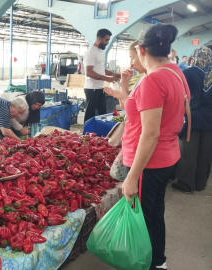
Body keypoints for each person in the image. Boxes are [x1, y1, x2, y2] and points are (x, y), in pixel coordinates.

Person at [105, 24, 190, 270]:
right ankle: (157, 262)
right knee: (153, 215)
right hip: (167, 155)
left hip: (149, 162)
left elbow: (151, 134)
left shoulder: (153, 80)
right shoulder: (175, 72)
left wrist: (132, 177)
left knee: (142, 218)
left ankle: (146, 264)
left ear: (141, 50)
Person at [173, 47, 212, 193]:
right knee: (205, 153)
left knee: (188, 152)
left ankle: (186, 184)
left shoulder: (189, 73)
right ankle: (200, 183)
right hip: (210, 120)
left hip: (192, 118)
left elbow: (179, 94)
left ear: (194, 57)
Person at [83, 28, 120, 123]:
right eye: (106, 40)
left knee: (102, 113)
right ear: (100, 38)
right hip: (92, 88)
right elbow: (89, 72)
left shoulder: (100, 51)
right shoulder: (91, 52)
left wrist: (113, 74)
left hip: (99, 88)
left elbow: (101, 69)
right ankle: (86, 134)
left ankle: (99, 135)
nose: (107, 42)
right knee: (90, 114)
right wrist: (107, 78)